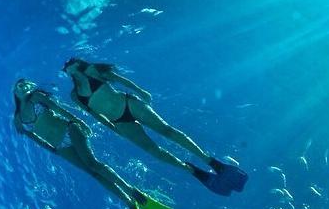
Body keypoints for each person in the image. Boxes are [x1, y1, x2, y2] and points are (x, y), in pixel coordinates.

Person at [12, 78, 172, 209]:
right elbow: (33, 136)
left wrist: (78, 121)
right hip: (60, 146)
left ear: (32, 86)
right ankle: (130, 203)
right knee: (93, 174)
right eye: (19, 86)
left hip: (69, 129)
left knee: (92, 163)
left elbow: (58, 109)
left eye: (26, 84)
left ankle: (134, 192)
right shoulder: (17, 119)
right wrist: (52, 150)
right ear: (15, 93)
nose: (23, 87)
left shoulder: (36, 97)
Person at [62, 59, 247, 196]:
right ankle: (193, 171)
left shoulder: (93, 71)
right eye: (65, 67)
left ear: (76, 63)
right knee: (154, 151)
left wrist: (141, 92)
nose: (65, 67)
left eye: (68, 63)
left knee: (167, 131)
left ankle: (212, 162)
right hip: (119, 121)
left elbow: (121, 80)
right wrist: (111, 127)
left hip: (129, 104)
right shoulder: (75, 96)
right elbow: (94, 114)